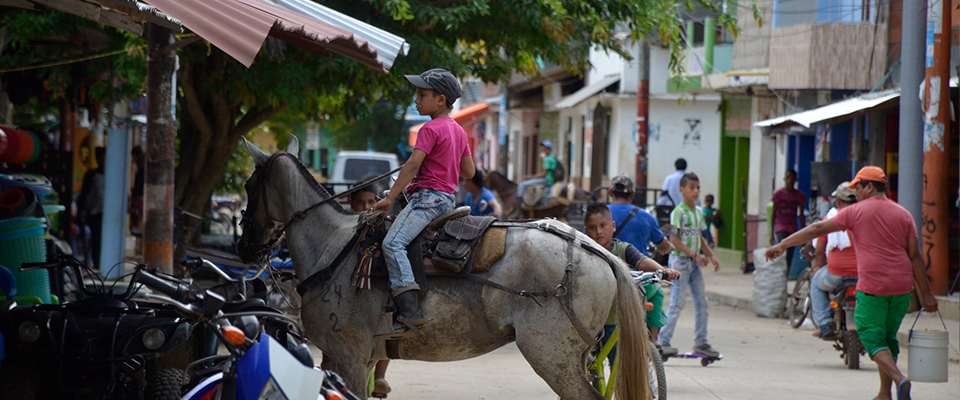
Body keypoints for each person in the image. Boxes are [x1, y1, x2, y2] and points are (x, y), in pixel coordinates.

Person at [765, 166, 938, 400]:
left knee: (870, 335)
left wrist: (783, 244)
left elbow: (817, 229)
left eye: (858, 187)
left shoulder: (855, 212)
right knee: (888, 337)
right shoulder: (903, 214)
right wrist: (927, 295)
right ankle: (884, 394)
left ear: (869, 187)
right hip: (902, 287)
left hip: (873, 286)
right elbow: (914, 256)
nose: (856, 192)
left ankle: (900, 379)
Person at [372, 68, 475, 338]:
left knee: (392, 243)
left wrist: (389, 198)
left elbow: (412, 164)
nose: (416, 100)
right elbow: (469, 172)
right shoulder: (458, 131)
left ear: (440, 100)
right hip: (447, 200)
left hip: (427, 200)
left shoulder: (429, 128)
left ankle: (409, 311)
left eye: (421, 95)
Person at [582, 202, 680, 362]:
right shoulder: (583, 251)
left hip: (612, 318)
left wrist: (663, 271)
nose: (598, 231)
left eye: (603, 225)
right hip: (589, 318)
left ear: (613, 226)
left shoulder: (622, 249)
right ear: (585, 231)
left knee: (619, 362)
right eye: (592, 228)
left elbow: (642, 261)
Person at [659, 172, 722, 358]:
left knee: (702, 301)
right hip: (680, 262)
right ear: (682, 190)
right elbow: (674, 240)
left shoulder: (697, 211)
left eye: (698, 188)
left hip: (694, 263)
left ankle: (701, 342)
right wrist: (695, 255)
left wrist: (711, 256)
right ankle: (662, 340)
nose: (696, 191)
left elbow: (700, 237)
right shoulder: (678, 212)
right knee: (677, 303)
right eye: (692, 188)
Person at [346, 186, 392, 397]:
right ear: (350, 203)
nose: (366, 208)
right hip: (348, 299)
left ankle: (380, 377)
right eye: (360, 203)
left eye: (371, 202)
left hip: (374, 294)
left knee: (386, 326)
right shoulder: (345, 229)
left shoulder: (382, 228)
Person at [808, 181, 859, 340]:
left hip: (836, 275)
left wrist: (819, 265)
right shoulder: (864, 217)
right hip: (862, 275)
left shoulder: (830, 219)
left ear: (838, 202)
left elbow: (819, 250)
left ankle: (825, 324)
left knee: (816, 282)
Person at [607, 174, 672, 257]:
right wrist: (668, 246)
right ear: (633, 194)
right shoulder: (647, 218)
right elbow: (663, 246)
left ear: (610, 192)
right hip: (637, 269)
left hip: (607, 267)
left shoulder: (598, 213)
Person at [770, 169, 807, 269]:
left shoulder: (799, 195)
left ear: (796, 180)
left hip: (793, 227)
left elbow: (801, 215)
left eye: (792, 178)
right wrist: (771, 233)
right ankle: (779, 273)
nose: (790, 180)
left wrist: (803, 232)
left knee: (790, 254)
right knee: (782, 249)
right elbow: (773, 213)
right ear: (784, 179)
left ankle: (785, 274)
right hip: (781, 226)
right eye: (788, 178)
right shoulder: (778, 194)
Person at [78, 147, 106, 269]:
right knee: (97, 241)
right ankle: (97, 265)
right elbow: (84, 195)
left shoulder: (115, 177)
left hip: (109, 214)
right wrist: (81, 212)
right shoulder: (91, 175)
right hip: (95, 213)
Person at [513, 140, 557, 212]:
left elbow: (543, 174)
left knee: (522, 185)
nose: (543, 150)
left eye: (545, 149)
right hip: (550, 179)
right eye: (543, 149)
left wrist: (529, 177)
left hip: (547, 180)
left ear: (549, 149)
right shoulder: (551, 158)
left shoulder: (548, 159)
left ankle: (518, 209)